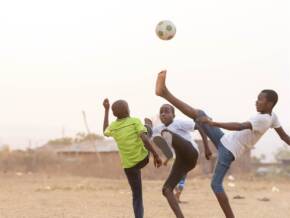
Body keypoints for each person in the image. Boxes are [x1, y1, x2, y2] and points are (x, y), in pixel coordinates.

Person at [155, 70, 290, 218]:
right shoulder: (273, 116)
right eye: (257, 99)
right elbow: (284, 136)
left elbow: (239, 126)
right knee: (199, 114)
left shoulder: (263, 119)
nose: (256, 101)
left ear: (270, 103)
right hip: (225, 140)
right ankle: (164, 92)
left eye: (260, 100)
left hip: (229, 150)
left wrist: (212, 122)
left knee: (215, 184)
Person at [145, 103, 212, 217]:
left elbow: (199, 127)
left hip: (191, 153)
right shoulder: (159, 128)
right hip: (182, 162)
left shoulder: (178, 122)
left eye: (167, 111)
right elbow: (146, 138)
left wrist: (206, 147)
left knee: (165, 133)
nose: (163, 114)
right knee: (166, 190)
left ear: (173, 115)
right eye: (161, 112)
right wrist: (148, 125)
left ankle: (169, 148)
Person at [102, 98, 162, 218]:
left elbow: (105, 130)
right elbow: (144, 139)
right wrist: (156, 155)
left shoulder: (113, 127)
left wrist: (106, 110)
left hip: (129, 166)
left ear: (114, 114)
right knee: (146, 133)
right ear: (128, 110)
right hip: (143, 158)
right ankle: (148, 125)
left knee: (137, 195)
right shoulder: (134, 121)